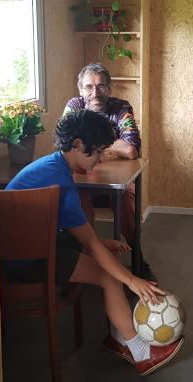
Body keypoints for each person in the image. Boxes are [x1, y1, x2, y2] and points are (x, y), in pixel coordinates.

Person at [4, 110, 184, 375]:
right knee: (108, 276)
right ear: (77, 144)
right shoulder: (61, 183)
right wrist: (132, 280)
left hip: (17, 250)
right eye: (97, 151)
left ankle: (118, 336)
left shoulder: (51, 166)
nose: (100, 159)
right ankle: (140, 352)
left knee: (99, 257)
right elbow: (90, 246)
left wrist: (95, 242)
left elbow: (76, 234)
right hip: (24, 261)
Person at [63, 62, 155, 281]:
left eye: (101, 86)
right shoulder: (74, 106)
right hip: (85, 178)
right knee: (79, 199)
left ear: (109, 88)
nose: (95, 93)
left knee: (126, 200)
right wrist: (112, 146)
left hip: (116, 180)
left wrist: (90, 144)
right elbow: (65, 144)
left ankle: (136, 256)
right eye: (88, 87)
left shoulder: (121, 107)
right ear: (80, 89)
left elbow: (131, 149)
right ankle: (89, 257)